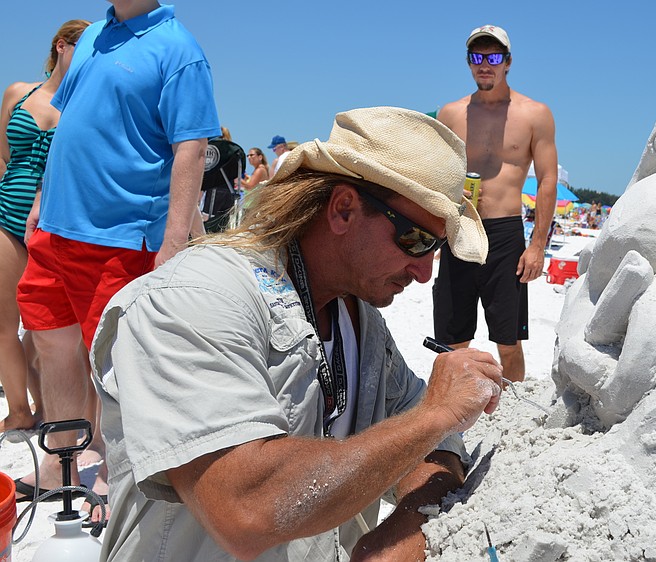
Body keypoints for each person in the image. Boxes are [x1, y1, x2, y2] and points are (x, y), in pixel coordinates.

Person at [89, 106, 499, 561]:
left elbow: (439, 450)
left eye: (436, 248)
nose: (425, 272)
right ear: (343, 209)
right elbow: (245, 509)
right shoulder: (195, 298)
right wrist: (434, 414)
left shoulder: (358, 320)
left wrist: (399, 535)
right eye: (417, 240)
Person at [14, 0, 220, 525]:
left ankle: (116, 474)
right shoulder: (93, 36)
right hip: (56, 227)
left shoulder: (179, 49)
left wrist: (173, 244)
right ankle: (63, 461)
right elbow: (70, 123)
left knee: (116, 366)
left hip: (120, 237)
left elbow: (191, 148)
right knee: (52, 341)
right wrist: (41, 199)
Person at [433, 24, 558, 382]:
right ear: (469, 63)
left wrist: (537, 246)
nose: (484, 64)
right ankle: (452, 413)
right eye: (477, 57)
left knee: (508, 341)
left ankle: (511, 412)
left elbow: (547, 179)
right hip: (460, 231)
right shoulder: (451, 113)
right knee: (452, 341)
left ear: (508, 62)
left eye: (493, 57)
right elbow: (435, 177)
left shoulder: (535, 114)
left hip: (505, 235)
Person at [0, 19, 90, 435]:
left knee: (47, 327)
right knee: (4, 322)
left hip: (57, 222)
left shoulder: (85, 102)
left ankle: (49, 407)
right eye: (84, 46)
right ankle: (19, 410)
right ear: (61, 46)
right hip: (7, 213)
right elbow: (3, 154)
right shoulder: (19, 93)